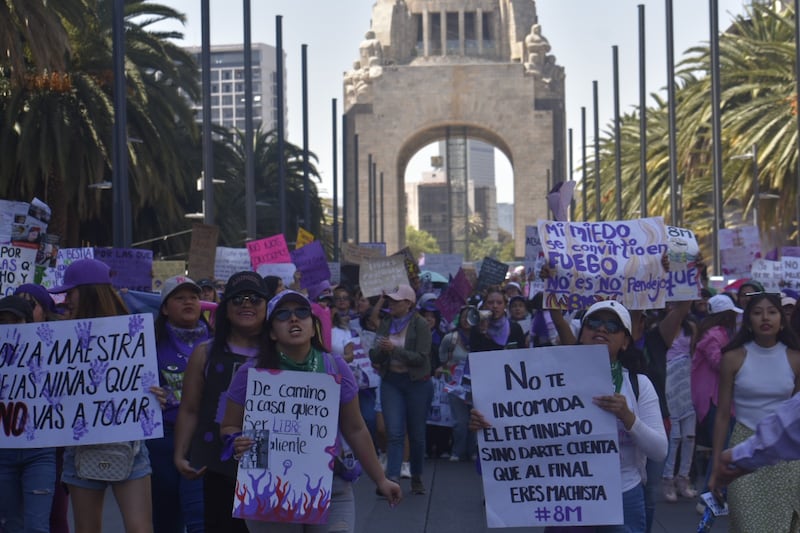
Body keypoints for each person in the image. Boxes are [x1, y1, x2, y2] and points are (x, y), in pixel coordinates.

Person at [473, 300, 668, 533]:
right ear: (582, 334)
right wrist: (488, 424)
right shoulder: (550, 380)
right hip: (570, 496)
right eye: (593, 323)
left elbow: (659, 451)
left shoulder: (638, 385)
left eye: (613, 326)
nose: (602, 329)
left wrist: (628, 417)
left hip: (623, 495)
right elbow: (524, 427)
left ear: (625, 342)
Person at [220, 290, 401, 532]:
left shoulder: (335, 367)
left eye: (302, 312)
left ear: (313, 325)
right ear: (272, 332)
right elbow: (229, 425)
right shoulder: (250, 374)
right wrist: (236, 441)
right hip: (270, 491)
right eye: (283, 315)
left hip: (332, 488)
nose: (294, 319)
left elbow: (356, 429)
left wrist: (381, 479)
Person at [48, 258, 155, 533]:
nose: (66, 299)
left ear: (88, 292)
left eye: (70, 292)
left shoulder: (133, 333)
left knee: (140, 529)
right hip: (81, 448)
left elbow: (147, 382)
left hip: (129, 447)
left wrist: (156, 395)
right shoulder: (59, 336)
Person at [173, 271, 270, 533]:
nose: (246, 304)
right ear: (225, 309)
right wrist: (181, 454)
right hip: (216, 466)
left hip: (270, 469)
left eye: (255, 298)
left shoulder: (282, 354)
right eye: (237, 299)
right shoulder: (204, 352)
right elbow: (191, 408)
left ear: (267, 307)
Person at [709, 292, 800, 531]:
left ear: (782, 319)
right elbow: (722, 415)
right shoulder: (732, 357)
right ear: (748, 321)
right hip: (743, 449)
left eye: (772, 311)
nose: (765, 318)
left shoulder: (795, 357)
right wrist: (717, 464)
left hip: (786, 459)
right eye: (757, 313)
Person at [148, 276, 211, 533]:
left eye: (194, 297)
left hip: (202, 440)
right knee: (166, 519)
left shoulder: (220, 343)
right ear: (164, 308)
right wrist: (146, 394)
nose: (188, 302)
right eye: (179, 297)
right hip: (162, 440)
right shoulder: (147, 343)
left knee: (200, 519)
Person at [13, 284, 69, 533]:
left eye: (31, 304)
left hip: (49, 448)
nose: (24, 308)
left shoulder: (63, 345)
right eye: (19, 303)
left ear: (45, 312)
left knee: (53, 516)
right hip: (9, 445)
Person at [0, 295, 57, 533]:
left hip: (40, 453)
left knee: (37, 526)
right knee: (10, 525)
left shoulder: (53, 356)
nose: (9, 327)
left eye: (16, 321)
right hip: (2, 453)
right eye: (3, 321)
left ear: (29, 324)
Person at [369, 284, 433, 495]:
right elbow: (374, 354)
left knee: (416, 434)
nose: (391, 304)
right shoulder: (386, 323)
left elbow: (421, 359)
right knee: (394, 432)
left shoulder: (420, 324)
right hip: (392, 382)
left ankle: (416, 476)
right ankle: (392, 478)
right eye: (390, 300)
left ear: (408, 303)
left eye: (396, 301)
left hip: (417, 383)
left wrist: (395, 350)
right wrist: (381, 352)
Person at [691, 293, 741, 490]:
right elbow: (720, 363)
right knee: (722, 448)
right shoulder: (714, 335)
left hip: (718, 398)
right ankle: (709, 494)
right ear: (725, 314)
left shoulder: (716, 333)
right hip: (714, 399)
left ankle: (716, 493)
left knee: (723, 447)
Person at [715, 391, 800, 486]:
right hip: (746, 438)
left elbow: (789, 426)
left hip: (774, 454)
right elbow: (722, 414)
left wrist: (738, 454)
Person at [438, 306, 477, 462]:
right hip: (456, 385)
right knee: (460, 421)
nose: (466, 320)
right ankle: (457, 451)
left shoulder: (481, 337)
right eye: (464, 317)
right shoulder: (450, 337)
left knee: (474, 420)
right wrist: (446, 369)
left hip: (476, 385)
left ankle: (473, 451)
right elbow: (442, 359)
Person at [469, 287, 526, 351]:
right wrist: (482, 333)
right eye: (490, 303)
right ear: (484, 305)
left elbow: (521, 354)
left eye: (499, 303)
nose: (495, 306)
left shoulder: (515, 328)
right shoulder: (476, 329)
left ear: (505, 305)